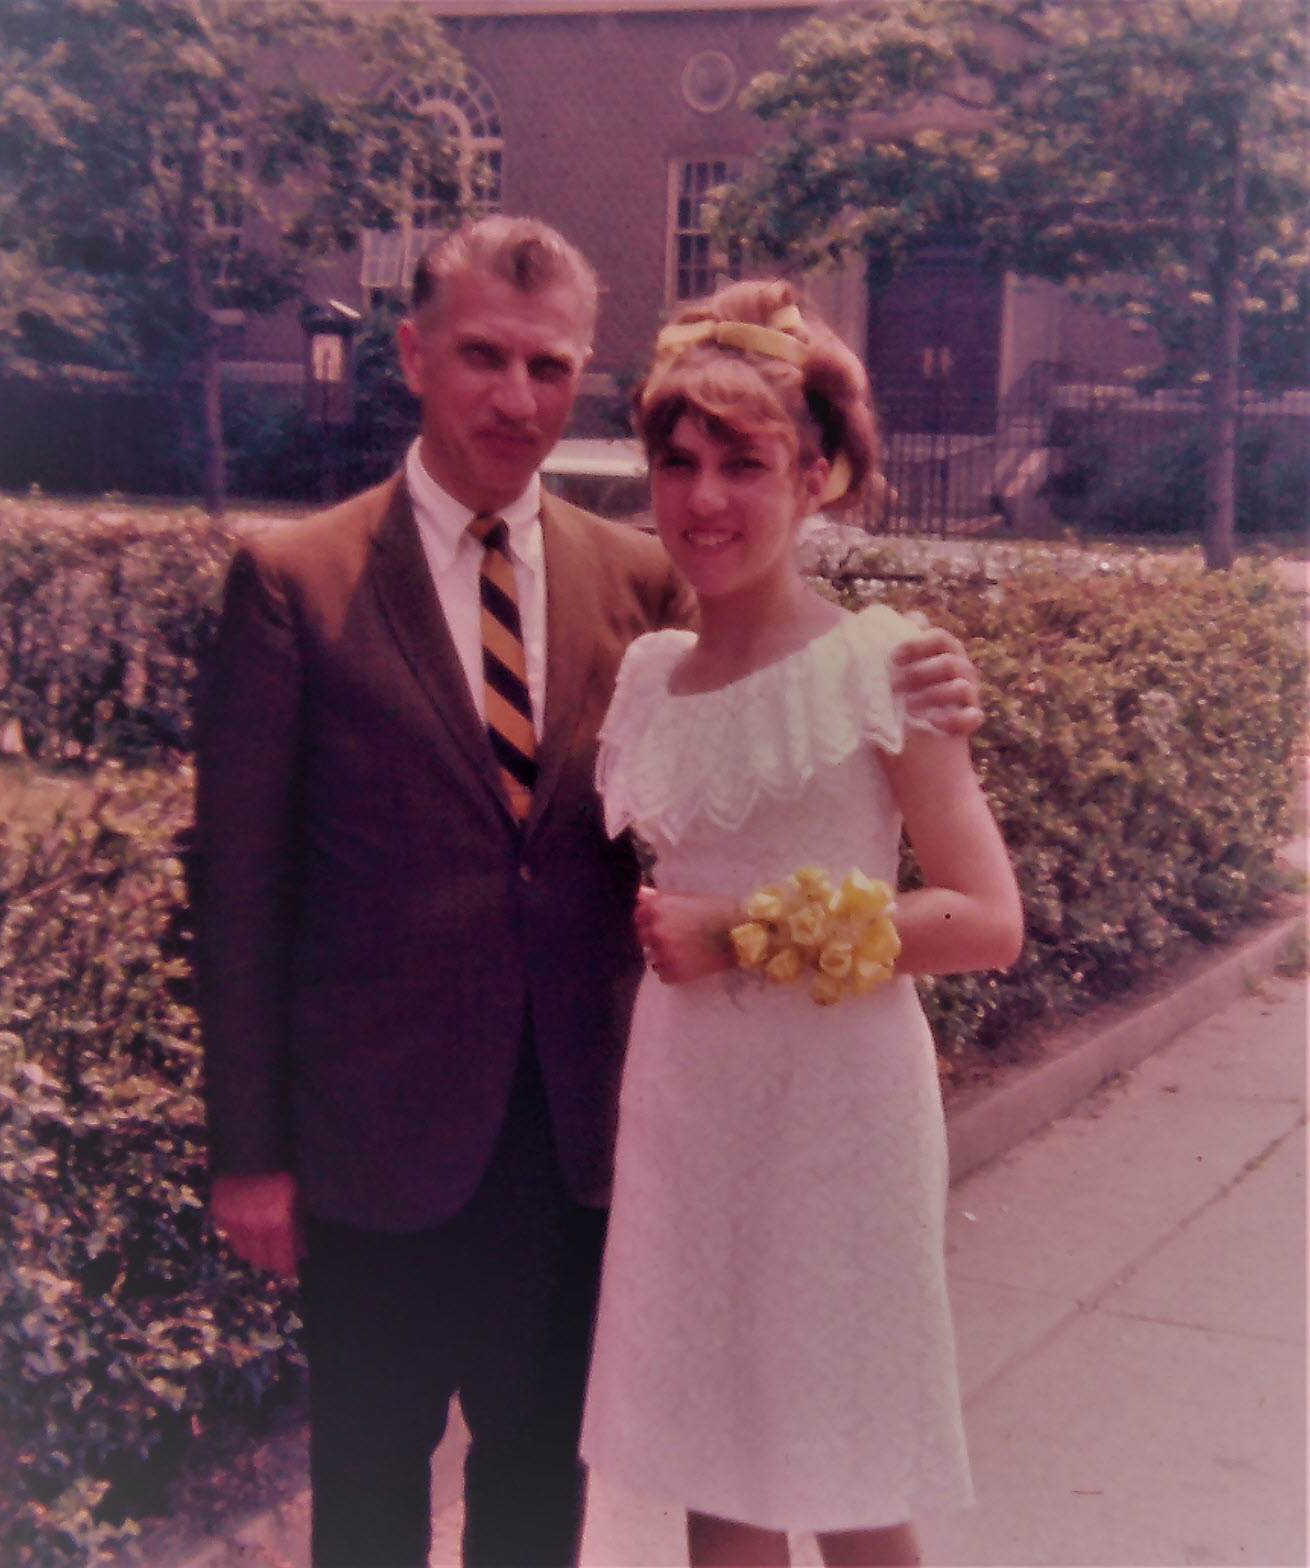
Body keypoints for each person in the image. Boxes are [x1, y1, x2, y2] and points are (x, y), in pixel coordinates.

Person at [192, 216, 985, 1568]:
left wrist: (933, 684)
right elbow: (238, 884)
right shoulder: (296, 580)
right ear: (410, 355)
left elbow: (765, 685)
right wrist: (249, 1147)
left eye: (549, 366)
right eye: (480, 358)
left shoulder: (636, 586)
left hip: (582, 1142)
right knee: (372, 1487)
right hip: (377, 1141)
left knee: (540, 1493)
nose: (515, 397)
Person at [580, 279, 1025, 1568]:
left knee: (841, 1461)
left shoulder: (881, 667)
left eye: (746, 463)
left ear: (818, 475)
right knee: (714, 1465)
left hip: (832, 1112)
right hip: (690, 1102)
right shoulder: (653, 675)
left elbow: (985, 918)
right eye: (679, 462)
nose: (705, 498)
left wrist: (745, 931)